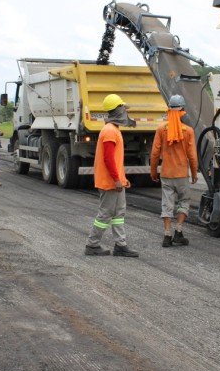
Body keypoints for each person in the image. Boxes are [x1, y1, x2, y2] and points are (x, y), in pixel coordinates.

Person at [85, 94, 139, 258]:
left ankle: (120, 245)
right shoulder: (109, 131)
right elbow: (108, 159)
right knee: (105, 214)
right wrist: (116, 179)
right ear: (118, 110)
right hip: (109, 182)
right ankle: (92, 244)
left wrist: (121, 178)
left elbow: (114, 159)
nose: (125, 111)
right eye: (123, 108)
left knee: (118, 213)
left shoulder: (112, 129)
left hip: (115, 181)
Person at [150, 94, 199, 247]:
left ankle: (167, 235)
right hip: (182, 174)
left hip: (166, 173)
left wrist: (153, 171)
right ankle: (178, 231)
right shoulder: (188, 131)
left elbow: (154, 153)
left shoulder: (161, 129)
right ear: (183, 110)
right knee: (184, 201)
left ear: (169, 109)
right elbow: (192, 155)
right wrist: (195, 173)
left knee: (167, 204)